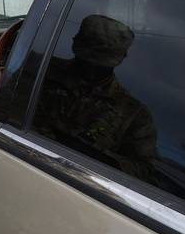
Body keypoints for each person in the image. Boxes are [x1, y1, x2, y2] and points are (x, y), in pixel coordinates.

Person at [31, 14, 157, 181]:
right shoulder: (38, 69)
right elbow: (6, 110)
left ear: (123, 58)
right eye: (86, 61)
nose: (92, 70)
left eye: (102, 65)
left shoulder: (135, 113)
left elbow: (142, 170)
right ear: (74, 42)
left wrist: (97, 151)